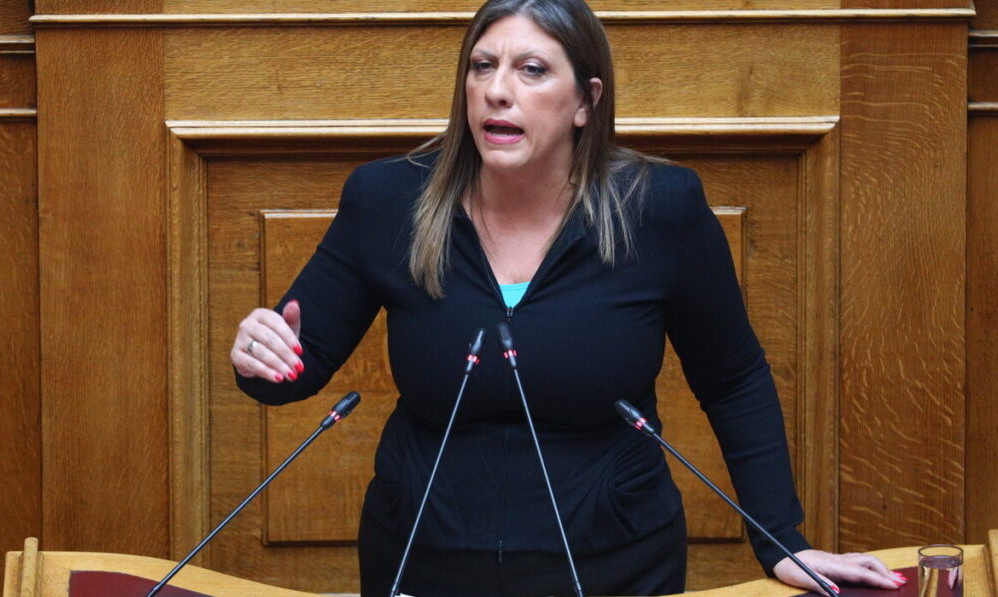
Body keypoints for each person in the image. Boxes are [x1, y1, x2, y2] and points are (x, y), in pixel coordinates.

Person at [231, 1, 908, 595]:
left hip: (617, 560)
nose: (497, 91)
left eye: (531, 70)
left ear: (586, 100)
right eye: (481, 66)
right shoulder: (387, 200)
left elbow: (733, 380)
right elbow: (290, 368)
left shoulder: (660, 209)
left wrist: (781, 538)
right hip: (422, 558)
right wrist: (261, 356)